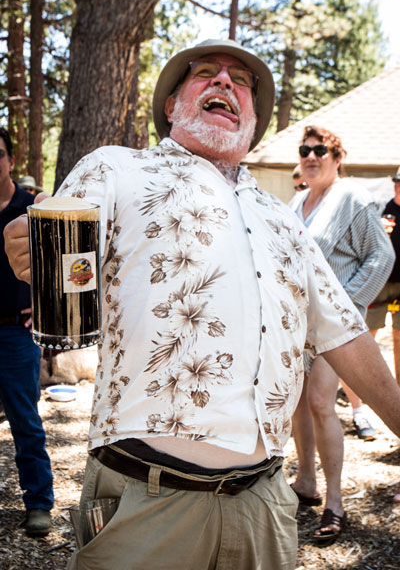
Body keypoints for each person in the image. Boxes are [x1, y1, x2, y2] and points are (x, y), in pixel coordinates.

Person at [4, 40, 400, 570]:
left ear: (254, 119)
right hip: (146, 502)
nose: (224, 83)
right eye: (205, 74)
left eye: (241, 82)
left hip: (264, 506)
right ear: (171, 106)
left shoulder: (282, 218)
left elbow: (344, 333)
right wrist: (31, 245)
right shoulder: (118, 171)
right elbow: (67, 247)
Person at [289, 125, 395, 544]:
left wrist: (349, 306)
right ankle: (305, 481)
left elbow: (381, 255)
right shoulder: (297, 200)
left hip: (333, 326)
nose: (311, 156)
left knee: (320, 403)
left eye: (321, 150)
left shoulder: (353, 198)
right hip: (297, 325)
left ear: (337, 158)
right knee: (297, 403)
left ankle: (334, 500)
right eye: (305, 150)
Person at [0, 127, 54, 537]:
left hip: (16, 334)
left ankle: (38, 504)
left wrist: (45, 303)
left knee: (26, 422)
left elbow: (65, 259)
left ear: (11, 161)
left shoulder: (32, 206)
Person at [367, 166, 400, 389]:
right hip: (382, 282)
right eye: (396, 182)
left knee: (398, 337)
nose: (398, 186)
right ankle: (368, 386)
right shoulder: (384, 210)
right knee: (368, 336)